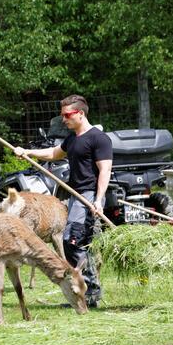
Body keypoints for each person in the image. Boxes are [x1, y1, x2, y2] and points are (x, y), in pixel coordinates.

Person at [13, 95, 112, 307]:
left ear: (80, 114)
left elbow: (105, 171)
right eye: (62, 115)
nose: (64, 119)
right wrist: (27, 152)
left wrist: (99, 199)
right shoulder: (73, 138)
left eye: (67, 115)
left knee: (73, 241)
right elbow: (53, 153)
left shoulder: (98, 138)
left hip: (87, 197)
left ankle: (90, 293)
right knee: (75, 243)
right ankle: (86, 292)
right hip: (74, 195)